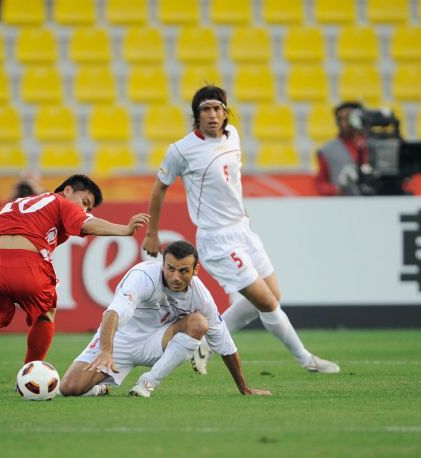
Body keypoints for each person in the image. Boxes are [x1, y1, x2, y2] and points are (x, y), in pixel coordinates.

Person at [143, 85, 339, 376]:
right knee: (267, 302)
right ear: (196, 115)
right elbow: (160, 188)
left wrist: (242, 211)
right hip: (217, 239)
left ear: (225, 112)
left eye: (217, 109)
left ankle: (206, 343)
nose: (212, 115)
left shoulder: (232, 136)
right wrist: (152, 233)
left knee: (273, 295)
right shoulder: (181, 150)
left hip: (242, 230)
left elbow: (231, 180)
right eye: (206, 110)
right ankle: (306, 360)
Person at [0, 174, 150, 364]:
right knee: (46, 314)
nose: (85, 209)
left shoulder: (7, 208)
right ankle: (32, 371)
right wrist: (124, 230)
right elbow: (86, 223)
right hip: (27, 265)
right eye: (84, 202)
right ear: (67, 190)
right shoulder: (58, 201)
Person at [60, 241, 271, 398]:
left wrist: (244, 387)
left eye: (183, 271)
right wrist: (106, 351)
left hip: (158, 341)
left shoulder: (201, 296)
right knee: (69, 388)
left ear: (195, 270)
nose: (176, 277)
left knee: (199, 323)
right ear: (163, 265)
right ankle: (100, 389)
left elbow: (223, 341)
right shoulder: (143, 277)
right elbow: (112, 314)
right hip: (120, 340)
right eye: (171, 269)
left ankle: (147, 383)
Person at [315, 101, 366, 196]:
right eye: (343, 119)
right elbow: (321, 183)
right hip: (344, 202)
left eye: (350, 118)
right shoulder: (327, 150)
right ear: (337, 122)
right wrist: (335, 189)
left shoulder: (372, 145)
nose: (347, 122)